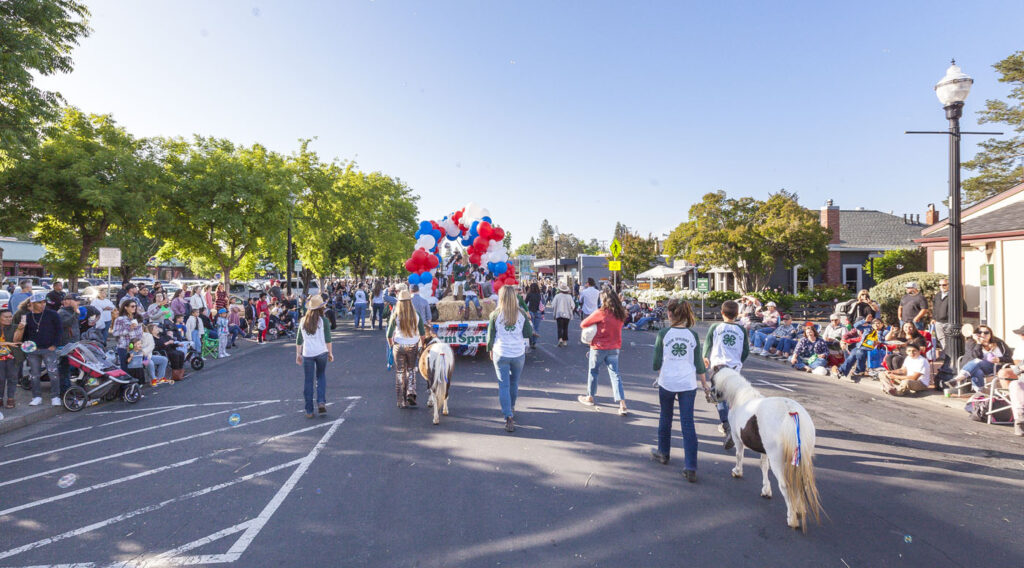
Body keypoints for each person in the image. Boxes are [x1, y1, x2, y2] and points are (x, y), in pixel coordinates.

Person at [649, 299, 708, 483]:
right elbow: (699, 364)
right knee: (687, 423)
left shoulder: (663, 334)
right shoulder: (693, 335)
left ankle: (663, 452)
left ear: (670, 314)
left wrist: (662, 371)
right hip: (687, 383)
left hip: (667, 382)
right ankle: (690, 467)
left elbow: (656, 363)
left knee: (665, 417)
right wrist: (705, 384)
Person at [702, 299, 749, 450]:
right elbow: (746, 350)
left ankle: (727, 425)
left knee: (719, 397)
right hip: (734, 367)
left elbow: (708, 343)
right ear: (737, 314)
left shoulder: (715, 327)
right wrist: (739, 361)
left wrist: (705, 356)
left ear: (722, 313)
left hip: (718, 366)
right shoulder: (741, 330)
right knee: (731, 397)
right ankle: (733, 424)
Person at [486, 284, 533, 432]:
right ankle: (511, 406)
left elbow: (490, 336)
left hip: (501, 352)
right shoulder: (521, 314)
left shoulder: (495, 314)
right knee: (514, 383)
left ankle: (508, 416)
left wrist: (490, 349)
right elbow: (528, 333)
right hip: (518, 353)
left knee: (503, 385)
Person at [577, 287, 629, 415]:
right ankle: (622, 404)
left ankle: (590, 397)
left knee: (593, 372)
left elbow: (583, 324)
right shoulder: (620, 314)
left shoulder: (601, 312)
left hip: (599, 347)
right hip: (614, 347)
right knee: (615, 375)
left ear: (604, 299)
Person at [13, 293, 63, 406]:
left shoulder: (52, 314)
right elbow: (25, 333)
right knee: (34, 374)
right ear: (32, 303)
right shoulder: (27, 316)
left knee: (53, 373)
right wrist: (26, 345)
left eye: (44, 302)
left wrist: (54, 345)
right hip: (33, 350)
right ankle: (36, 396)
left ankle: (55, 396)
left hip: (49, 348)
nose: (42, 304)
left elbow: (59, 330)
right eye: (39, 302)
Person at [295, 294, 334, 418]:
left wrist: (298, 354)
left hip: (308, 353)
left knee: (308, 381)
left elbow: (299, 339)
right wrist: (330, 353)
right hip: (321, 352)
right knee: (321, 376)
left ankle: (309, 410)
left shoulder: (303, 321)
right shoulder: (323, 321)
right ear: (321, 308)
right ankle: (321, 401)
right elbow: (328, 339)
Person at [386, 290, 426, 408]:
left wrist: (391, 345)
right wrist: (421, 345)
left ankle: (401, 401)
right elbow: (422, 334)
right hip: (413, 344)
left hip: (398, 345)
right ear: (410, 301)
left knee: (400, 373)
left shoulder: (395, 314)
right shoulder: (416, 314)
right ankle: (410, 393)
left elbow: (389, 334)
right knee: (411, 370)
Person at [954, 324, 1014, 391]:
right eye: (979, 332)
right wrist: (979, 343)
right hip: (978, 367)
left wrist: (999, 359)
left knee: (977, 364)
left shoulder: (999, 343)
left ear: (990, 334)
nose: (983, 334)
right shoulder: (971, 343)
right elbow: (975, 357)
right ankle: (980, 392)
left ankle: (958, 378)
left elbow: (1010, 358)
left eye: (986, 332)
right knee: (977, 371)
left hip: (996, 367)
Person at [111, 300, 144, 373]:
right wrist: (129, 329)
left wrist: (159, 306)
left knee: (137, 368)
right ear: (126, 307)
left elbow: (148, 314)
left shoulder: (138, 317)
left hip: (136, 347)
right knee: (125, 367)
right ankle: (126, 380)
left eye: (135, 306)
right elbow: (115, 333)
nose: (134, 308)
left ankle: (136, 380)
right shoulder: (120, 319)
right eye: (132, 306)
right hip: (125, 346)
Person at [1, 308, 24, 409]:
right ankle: (0, 398)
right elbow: (11, 343)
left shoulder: (15, 327)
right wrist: (7, 343)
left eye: (10, 317)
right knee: (1, 379)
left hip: (13, 357)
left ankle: (11, 399)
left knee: (12, 378)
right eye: (6, 317)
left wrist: (20, 329)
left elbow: (16, 340)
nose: (9, 319)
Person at [524, 283, 543, 348]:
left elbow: (525, 303)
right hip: (538, 312)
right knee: (536, 328)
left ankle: (531, 341)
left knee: (531, 327)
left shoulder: (529, 294)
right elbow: (541, 304)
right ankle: (534, 342)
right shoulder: (539, 295)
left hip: (531, 311)